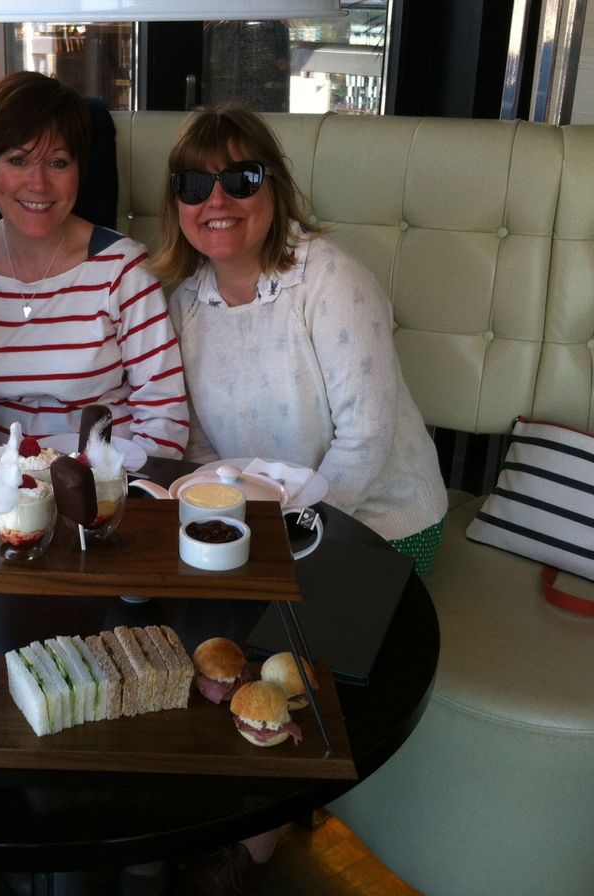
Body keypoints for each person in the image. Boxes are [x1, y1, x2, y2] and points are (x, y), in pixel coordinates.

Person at [150, 103, 448, 896]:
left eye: (240, 178)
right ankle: (185, 815)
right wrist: (231, 530)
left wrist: (281, 549)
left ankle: (247, 852)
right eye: (194, 182)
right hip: (267, 524)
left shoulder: (330, 278)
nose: (218, 199)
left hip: (378, 517)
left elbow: (366, 440)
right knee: (186, 631)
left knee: (285, 647)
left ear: (273, 188)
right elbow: (210, 450)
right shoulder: (184, 305)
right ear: (176, 204)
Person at [0, 70, 188, 458]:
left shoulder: (123, 268)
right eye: (18, 159)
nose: (38, 184)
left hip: (109, 483)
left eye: (57, 162)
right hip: (0, 487)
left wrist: (123, 498)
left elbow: (163, 413)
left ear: (79, 171)